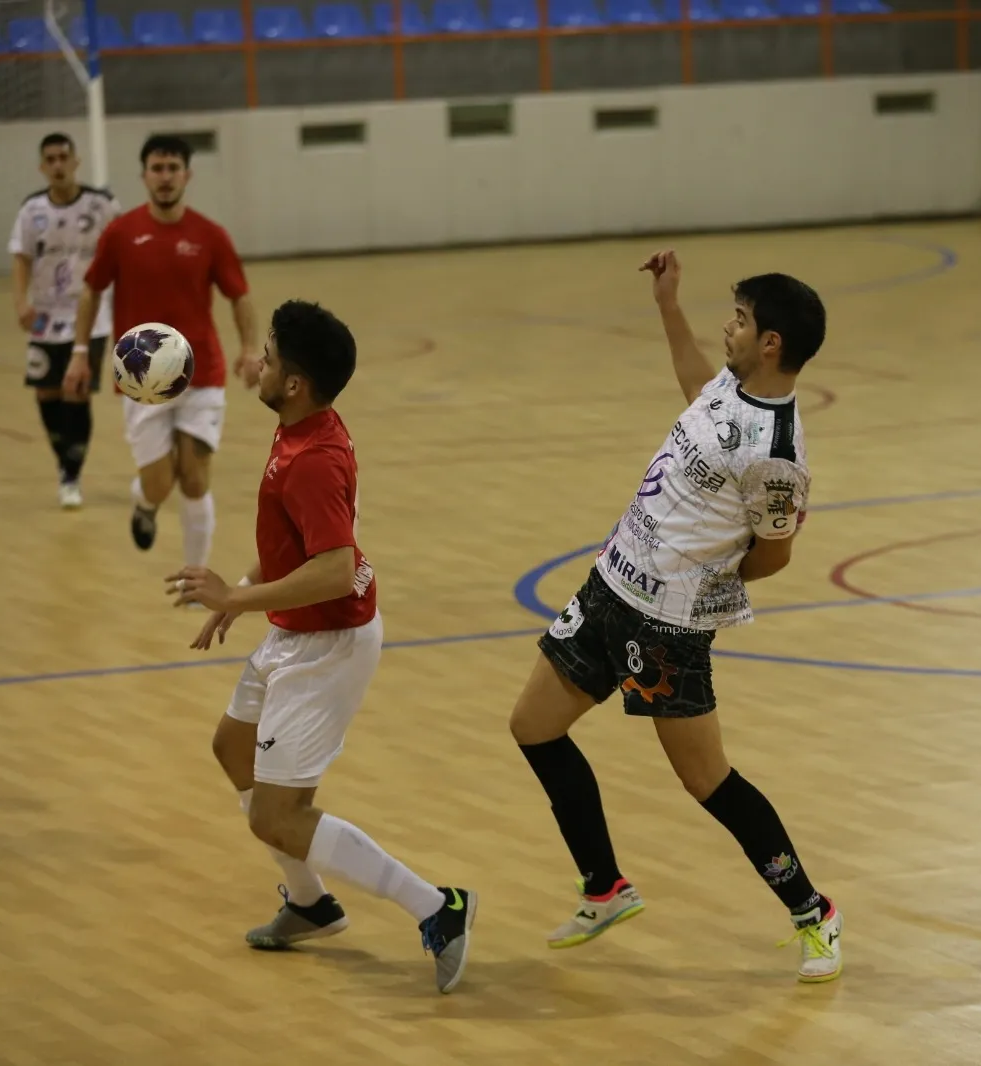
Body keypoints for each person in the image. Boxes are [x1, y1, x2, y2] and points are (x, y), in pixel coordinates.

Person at [508, 250, 841, 983]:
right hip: (608, 589)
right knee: (533, 727)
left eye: (741, 320)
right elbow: (698, 392)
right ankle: (605, 887)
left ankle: (812, 910)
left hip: (666, 629)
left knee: (707, 781)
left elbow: (774, 555)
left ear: (772, 342)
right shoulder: (732, 387)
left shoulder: (778, 454)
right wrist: (668, 305)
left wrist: (701, 581)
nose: (731, 328)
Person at [167, 299, 476, 994]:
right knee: (231, 748)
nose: (259, 365)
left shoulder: (311, 457)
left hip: (328, 643)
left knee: (279, 816)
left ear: (297, 382)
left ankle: (440, 908)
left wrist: (234, 599)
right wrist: (247, 586)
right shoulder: (301, 426)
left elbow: (334, 567)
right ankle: (310, 902)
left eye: (270, 359)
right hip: (295, 629)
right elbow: (297, 545)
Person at [68, 134, 259, 572]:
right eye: (158, 168)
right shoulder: (120, 234)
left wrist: (249, 349)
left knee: (193, 480)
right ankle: (144, 503)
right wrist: (81, 352)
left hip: (201, 372)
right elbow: (91, 291)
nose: (166, 176)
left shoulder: (210, 236)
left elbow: (240, 297)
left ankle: (195, 583)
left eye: (174, 168)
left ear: (187, 175)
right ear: (144, 176)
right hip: (140, 376)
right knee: (159, 484)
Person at [9, 133, 121, 510]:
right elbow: (21, 258)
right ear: (42, 167)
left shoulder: (102, 204)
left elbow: (123, 250)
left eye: (63, 158)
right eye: (50, 159)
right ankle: (65, 461)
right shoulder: (32, 209)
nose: (57, 165)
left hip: (90, 314)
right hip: (44, 315)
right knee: (47, 393)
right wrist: (21, 302)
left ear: (76, 162)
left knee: (76, 390)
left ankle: (71, 475)